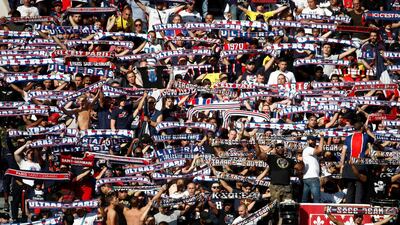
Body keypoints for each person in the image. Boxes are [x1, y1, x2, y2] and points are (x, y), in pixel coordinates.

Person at [302, 133, 324, 203]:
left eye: (315, 140)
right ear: (308, 141)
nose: (314, 142)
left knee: (305, 199)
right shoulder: (308, 149)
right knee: (316, 199)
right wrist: (322, 138)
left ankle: (303, 213)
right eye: (312, 140)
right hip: (312, 177)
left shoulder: (311, 151)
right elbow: (320, 150)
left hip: (307, 177)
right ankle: (316, 213)